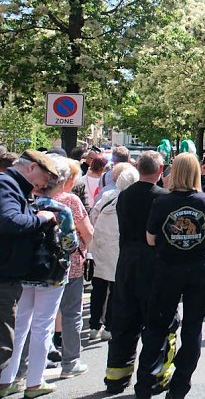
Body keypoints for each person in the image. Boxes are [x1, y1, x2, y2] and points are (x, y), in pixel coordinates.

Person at [135, 153, 205, 399]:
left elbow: (150, 239)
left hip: (168, 269)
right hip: (199, 271)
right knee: (193, 330)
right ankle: (180, 387)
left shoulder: (162, 202)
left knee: (156, 328)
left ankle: (144, 386)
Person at [1, 155, 77, 398]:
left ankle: (8, 378)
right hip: (50, 274)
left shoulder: (28, 200)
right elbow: (70, 243)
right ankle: (34, 381)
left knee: (18, 325)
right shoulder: (60, 209)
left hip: (24, 273)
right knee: (42, 326)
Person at [104, 151, 172, 395]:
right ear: (160, 169)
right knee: (156, 324)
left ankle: (115, 378)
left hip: (126, 265)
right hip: (153, 268)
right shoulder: (163, 198)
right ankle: (151, 378)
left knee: (124, 322)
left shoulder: (124, 196)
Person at [0, 151, 58, 381]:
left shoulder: (12, 186)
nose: (45, 184)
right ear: (32, 167)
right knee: (3, 346)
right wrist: (41, 218)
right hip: (4, 276)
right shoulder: (7, 185)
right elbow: (10, 220)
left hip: (8, 275)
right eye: (45, 177)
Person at [50, 157, 93, 379]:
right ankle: (70, 362)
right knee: (70, 313)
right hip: (69, 264)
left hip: (39, 266)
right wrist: (85, 249)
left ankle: (24, 367)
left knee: (35, 317)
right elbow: (87, 232)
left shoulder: (37, 197)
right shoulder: (70, 200)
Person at [88, 163, 135, 343]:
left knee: (98, 287)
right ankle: (109, 325)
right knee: (116, 289)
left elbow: (94, 215)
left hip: (101, 247)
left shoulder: (107, 196)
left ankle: (94, 325)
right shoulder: (130, 200)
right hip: (118, 248)